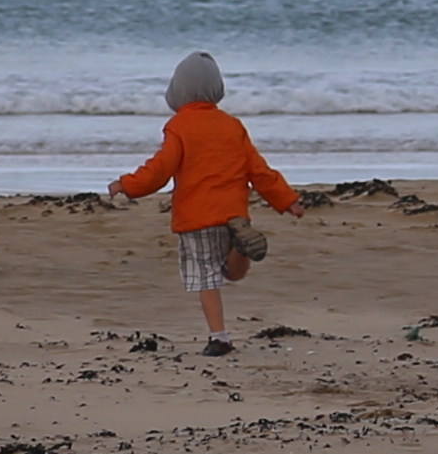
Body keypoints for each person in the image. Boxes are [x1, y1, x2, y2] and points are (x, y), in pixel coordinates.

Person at [110, 50, 298, 359]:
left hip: (197, 216)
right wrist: (287, 200)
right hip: (233, 212)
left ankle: (220, 337)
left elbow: (160, 169)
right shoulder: (232, 126)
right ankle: (240, 247)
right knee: (233, 273)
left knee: (207, 279)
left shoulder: (180, 127)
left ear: (177, 91)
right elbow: (258, 171)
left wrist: (128, 184)